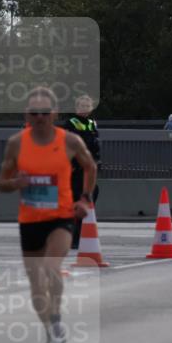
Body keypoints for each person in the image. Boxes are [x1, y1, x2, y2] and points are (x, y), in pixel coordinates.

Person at [0, 86, 97, 343]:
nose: (39, 117)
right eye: (34, 113)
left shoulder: (70, 141)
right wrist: (16, 183)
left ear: (54, 113)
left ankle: (55, 319)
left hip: (60, 217)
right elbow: (1, 183)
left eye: (44, 112)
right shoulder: (16, 143)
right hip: (30, 220)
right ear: (26, 115)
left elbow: (90, 166)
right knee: (36, 283)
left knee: (52, 267)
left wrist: (85, 198)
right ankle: (52, 331)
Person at [62, 95, 102, 249]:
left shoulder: (92, 124)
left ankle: (81, 235)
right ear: (76, 107)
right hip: (75, 169)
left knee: (91, 195)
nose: (84, 109)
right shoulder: (71, 123)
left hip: (88, 168)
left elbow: (95, 146)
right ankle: (72, 237)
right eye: (81, 106)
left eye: (87, 106)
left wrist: (97, 161)